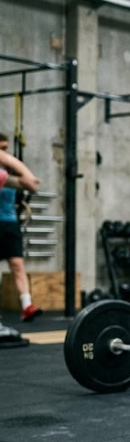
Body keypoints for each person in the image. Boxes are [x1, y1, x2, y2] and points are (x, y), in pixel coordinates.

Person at [0, 133, 43, 322]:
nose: (4, 153)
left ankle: (27, 306)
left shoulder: (6, 176)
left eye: (6, 149)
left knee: (17, 265)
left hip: (9, 224)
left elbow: (31, 184)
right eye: (1, 149)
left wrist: (7, 160)